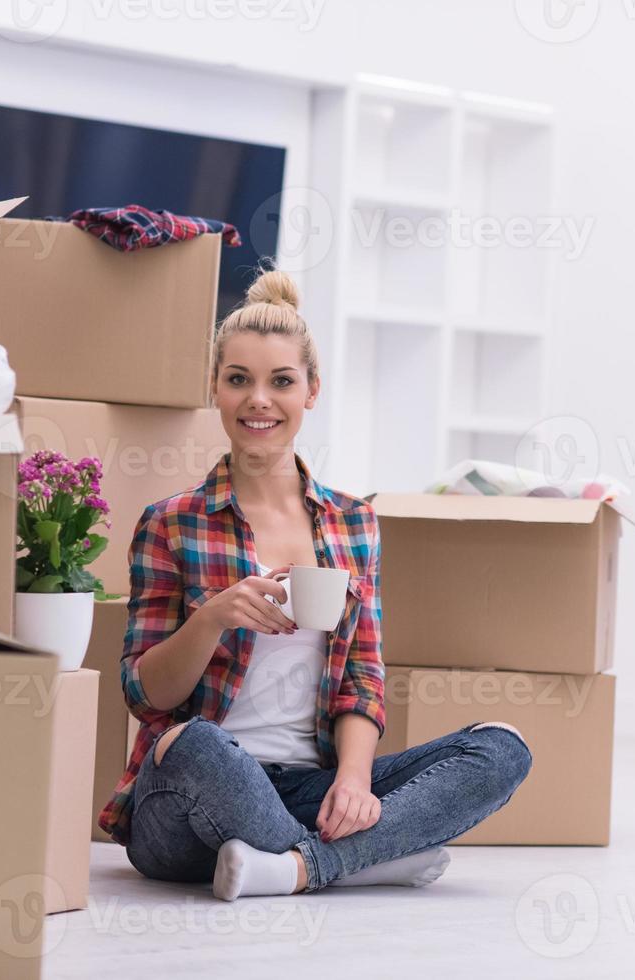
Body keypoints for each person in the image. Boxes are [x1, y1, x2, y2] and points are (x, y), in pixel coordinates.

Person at [97, 268, 533, 901]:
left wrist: (353, 781)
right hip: (190, 801)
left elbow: (363, 673)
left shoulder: (354, 522)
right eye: (238, 379)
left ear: (311, 391)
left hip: (311, 787)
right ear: (214, 388)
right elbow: (144, 693)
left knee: (501, 749)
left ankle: (293, 867)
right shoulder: (171, 522)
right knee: (193, 742)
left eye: (281, 381)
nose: (259, 401)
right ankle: (364, 860)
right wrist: (213, 617)